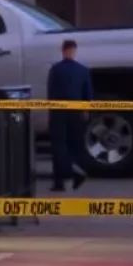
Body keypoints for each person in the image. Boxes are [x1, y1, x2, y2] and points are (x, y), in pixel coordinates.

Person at [46, 39, 92, 192]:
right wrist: (86, 110)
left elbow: (51, 91)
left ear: (63, 50)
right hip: (77, 111)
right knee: (73, 145)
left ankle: (61, 180)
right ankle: (71, 174)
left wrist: (50, 110)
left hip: (59, 111)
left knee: (58, 146)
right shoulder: (83, 70)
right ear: (74, 50)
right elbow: (88, 93)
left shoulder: (56, 69)